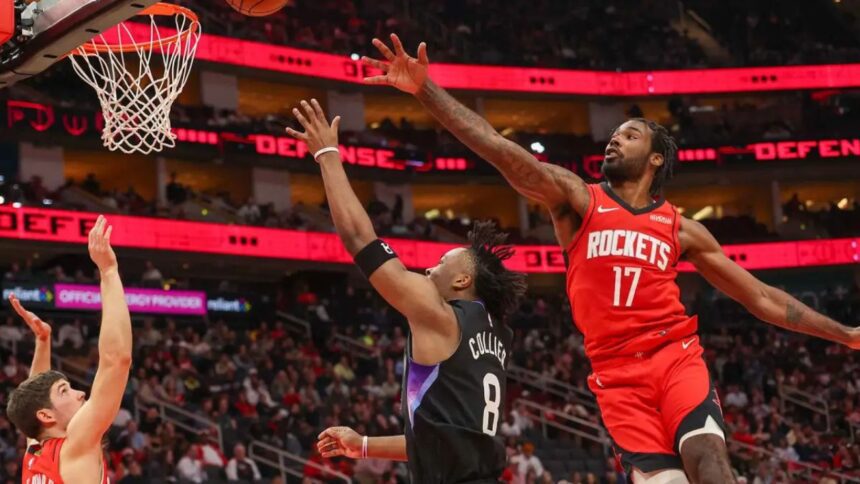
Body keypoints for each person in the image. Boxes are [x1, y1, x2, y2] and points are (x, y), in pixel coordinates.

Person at [363, 34, 860, 483]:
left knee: (710, 462)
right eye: (615, 133)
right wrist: (426, 90)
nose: (614, 138)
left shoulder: (684, 230)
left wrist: (846, 334)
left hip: (674, 358)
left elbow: (761, 297)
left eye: (630, 134)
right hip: (616, 376)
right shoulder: (578, 201)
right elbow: (498, 148)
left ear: (656, 158)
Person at [285, 99, 527, 482]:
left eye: (444, 261)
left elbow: (360, 239)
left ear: (463, 281)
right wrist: (362, 444)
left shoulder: (442, 315)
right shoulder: (495, 334)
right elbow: (438, 436)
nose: (431, 267)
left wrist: (327, 154)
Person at [6, 215, 132, 484]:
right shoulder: (76, 445)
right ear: (46, 416)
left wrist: (43, 342)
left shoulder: (33, 452)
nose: (81, 393)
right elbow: (116, 360)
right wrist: (109, 272)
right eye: (65, 390)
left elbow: (33, 399)